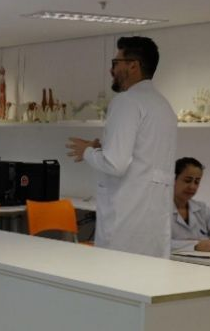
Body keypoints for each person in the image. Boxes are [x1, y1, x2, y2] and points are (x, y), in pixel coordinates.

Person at [66, 36, 176, 258]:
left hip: (125, 225)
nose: (111, 70)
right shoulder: (163, 106)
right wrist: (101, 149)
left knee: (115, 277)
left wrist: (87, 152)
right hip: (153, 226)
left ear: (133, 66)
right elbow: (143, 157)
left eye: (116, 63)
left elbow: (115, 164)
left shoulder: (127, 101)